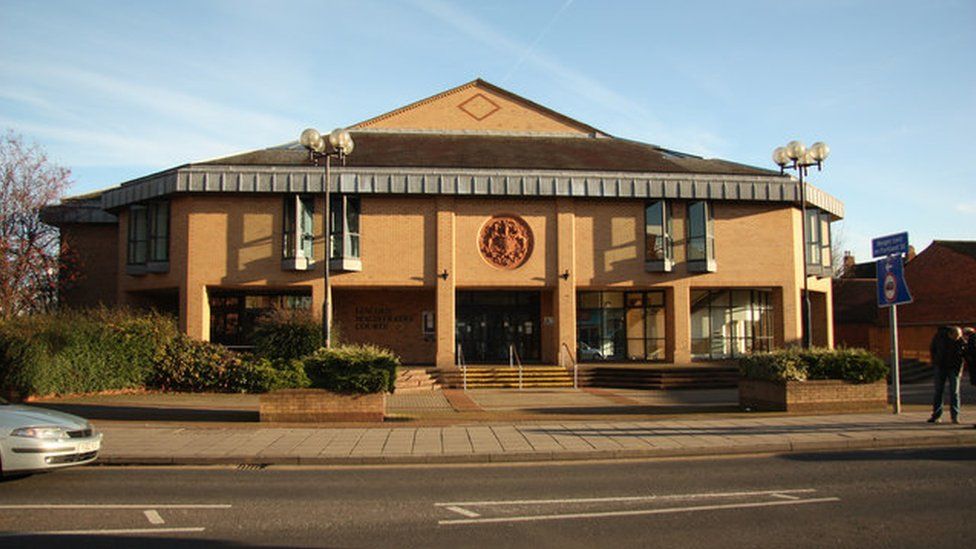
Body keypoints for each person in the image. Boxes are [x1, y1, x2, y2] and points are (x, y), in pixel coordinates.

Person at [928, 325, 965, 424]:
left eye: (958, 337)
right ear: (950, 334)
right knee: (938, 391)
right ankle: (936, 415)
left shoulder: (960, 340)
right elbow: (932, 348)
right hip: (940, 366)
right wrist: (935, 361)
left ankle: (955, 416)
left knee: (955, 393)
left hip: (954, 368)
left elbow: (965, 353)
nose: (957, 339)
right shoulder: (940, 337)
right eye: (955, 337)